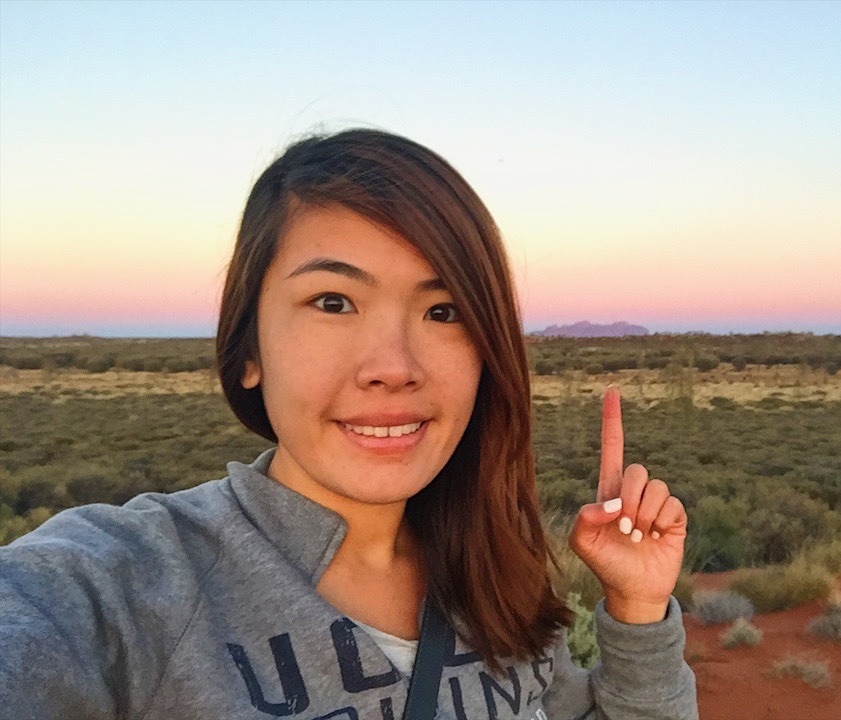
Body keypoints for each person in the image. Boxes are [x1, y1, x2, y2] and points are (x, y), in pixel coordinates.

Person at [0, 129, 698, 719]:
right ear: (248, 349)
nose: (393, 367)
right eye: (333, 301)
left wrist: (637, 608)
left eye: (444, 311)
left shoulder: (495, 581)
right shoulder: (126, 586)